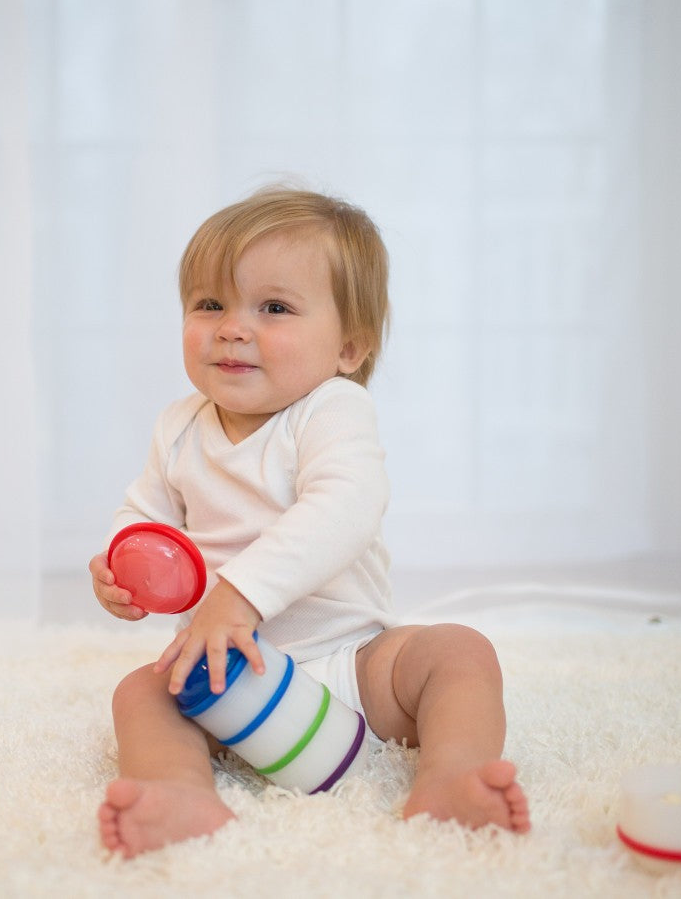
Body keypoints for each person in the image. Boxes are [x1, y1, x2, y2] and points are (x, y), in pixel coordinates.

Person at [90, 187, 530, 858]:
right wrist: (124, 567)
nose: (232, 327)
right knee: (140, 695)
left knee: (457, 652)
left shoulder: (330, 410)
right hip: (224, 677)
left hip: (351, 666)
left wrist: (238, 594)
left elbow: (346, 506)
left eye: (273, 308)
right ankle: (181, 793)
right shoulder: (178, 426)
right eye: (210, 304)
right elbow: (148, 518)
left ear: (349, 348)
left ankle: (452, 778)